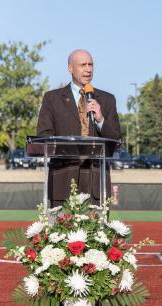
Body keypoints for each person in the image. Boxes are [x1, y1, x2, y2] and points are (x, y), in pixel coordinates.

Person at [37, 49, 121, 207]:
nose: (88, 69)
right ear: (70, 68)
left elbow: (116, 140)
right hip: (63, 180)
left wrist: (101, 119)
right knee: (61, 231)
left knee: (97, 232)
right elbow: (44, 135)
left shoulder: (107, 100)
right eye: (83, 65)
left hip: (96, 182)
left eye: (91, 65)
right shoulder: (52, 99)